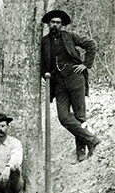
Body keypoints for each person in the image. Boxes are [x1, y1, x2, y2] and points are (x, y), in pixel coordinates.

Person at [41, 10, 100, 162]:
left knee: (80, 115)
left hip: (75, 78)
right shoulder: (44, 41)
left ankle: (81, 152)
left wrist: (86, 65)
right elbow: (43, 63)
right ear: (49, 24)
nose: (55, 25)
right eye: (52, 22)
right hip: (58, 82)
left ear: (62, 25)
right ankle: (91, 139)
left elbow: (91, 44)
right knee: (63, 117)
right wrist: (46, 76)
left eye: (58, 22)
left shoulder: (70, 36)